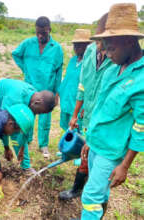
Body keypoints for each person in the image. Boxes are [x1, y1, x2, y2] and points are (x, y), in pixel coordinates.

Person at [72, 3, 144, 220]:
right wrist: (89, 140)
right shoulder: (113, 69)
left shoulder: (141, 80)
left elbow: (141, 128)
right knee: (100, 192)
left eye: (111, 48)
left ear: (130, 42)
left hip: (111, 152)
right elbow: (102, 111)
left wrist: (125, 165)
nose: (107, 54)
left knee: (91, 197)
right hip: (96, 144)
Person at [59, 13, 113, 201]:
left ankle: (91, 192)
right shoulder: (90, 52)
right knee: (85, 156)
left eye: (103, 42)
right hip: (88, 115)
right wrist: (75, 114)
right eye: (97, 41)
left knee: (97, 164)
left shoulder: (118, 61)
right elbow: (82, 86)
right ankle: (77, 189)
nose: (99, 46)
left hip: (105, 124)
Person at [0, 78, 56, 177]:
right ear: (37, 102)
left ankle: (24, 167)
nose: (37, 114)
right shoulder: (15, 98)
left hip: (5, 108)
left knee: (13, 131)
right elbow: (4, 125)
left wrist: (22, 147)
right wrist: (7, 147)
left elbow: (26, 124)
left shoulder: (33, 100)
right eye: (39, 112)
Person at [12, 16, 63, 158]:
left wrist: (57, 93)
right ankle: (27, 140)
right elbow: (15, 54)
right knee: (28, 114)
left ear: (49, 30)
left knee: (45, 117)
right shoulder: (28, 43)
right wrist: (25, 69)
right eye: (38, 33)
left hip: (48, 89)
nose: (40, 36)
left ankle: (43, 145)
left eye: (44, 33)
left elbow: (59, 72)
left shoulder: (56, 48)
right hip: (30, 88)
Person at [58, 29, 92, 132]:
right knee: (66, 128)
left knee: (77, 132)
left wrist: (86, 106)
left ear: (87, 46)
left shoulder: (90, 63)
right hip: (66, 101)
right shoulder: (73, 60)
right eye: (75, 45)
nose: (76, 48)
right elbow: (67, 79)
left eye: (80, 45)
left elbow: (89, 86)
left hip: (78, 104)